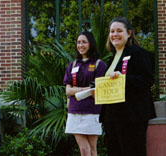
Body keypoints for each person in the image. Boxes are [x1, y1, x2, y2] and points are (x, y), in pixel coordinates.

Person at [99, 17, 156, 156]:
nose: (115, 34)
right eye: (112, 31)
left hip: (132, 114)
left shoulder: (137, 52)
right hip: (113, 115)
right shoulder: (112, 57)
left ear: (129, 33)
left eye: (119, 30)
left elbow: (147, 79)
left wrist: (124, 78)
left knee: (132, 151)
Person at [63, 31, 106, 156]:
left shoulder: (99, 64)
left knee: (92, 149)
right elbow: (68, 90)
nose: (80, 45)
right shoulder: (73, 65)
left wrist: (76, 89)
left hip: (92, 110)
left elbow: (97, 90)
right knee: (84, 149)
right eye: (78, 42)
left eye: (84, 42)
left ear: (90, 44)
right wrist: (85, 89)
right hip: (75, 110)